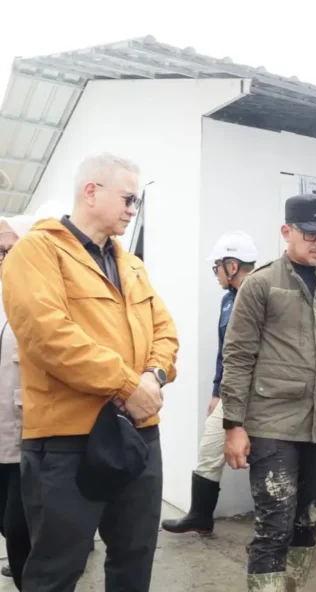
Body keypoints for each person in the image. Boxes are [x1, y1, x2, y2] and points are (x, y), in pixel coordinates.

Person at [1, 153, 179, 591]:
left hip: (138, 434)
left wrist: (153, 376)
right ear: (91, 191)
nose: (132, 209)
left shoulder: (132, 265)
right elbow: (47, 335)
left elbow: (165, 330)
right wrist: (125, 383)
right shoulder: (36, 252)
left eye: (135, 201)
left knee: (135, 557)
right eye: (127, 198)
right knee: (58, 567)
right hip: (67, 442)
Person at [220, 194, 316, 591]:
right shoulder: (261, 283)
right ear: (286, 232)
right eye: (311, 234)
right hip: (273, 424)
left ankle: (292, 586)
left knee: (309, 518)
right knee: (274, 523)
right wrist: (233, 424)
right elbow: (237, 357)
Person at [162, 231, 258, 536]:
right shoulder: (227, 300)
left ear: (232, 265)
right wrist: (217, 391)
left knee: (269, 458)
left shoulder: (261, 295)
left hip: (261, 394)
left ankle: (281, 527)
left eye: (216, 267)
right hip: (231, 393)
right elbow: (225, 351)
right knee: (210, 449)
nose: (215, 273)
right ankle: (200, 516)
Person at [0, 212, 34, 590]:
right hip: (2, 431)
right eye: (1, 251)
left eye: (13, 248)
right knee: (7, 520)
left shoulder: (42, 296)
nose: (5, 258)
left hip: (30, 433)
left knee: (17, 521)